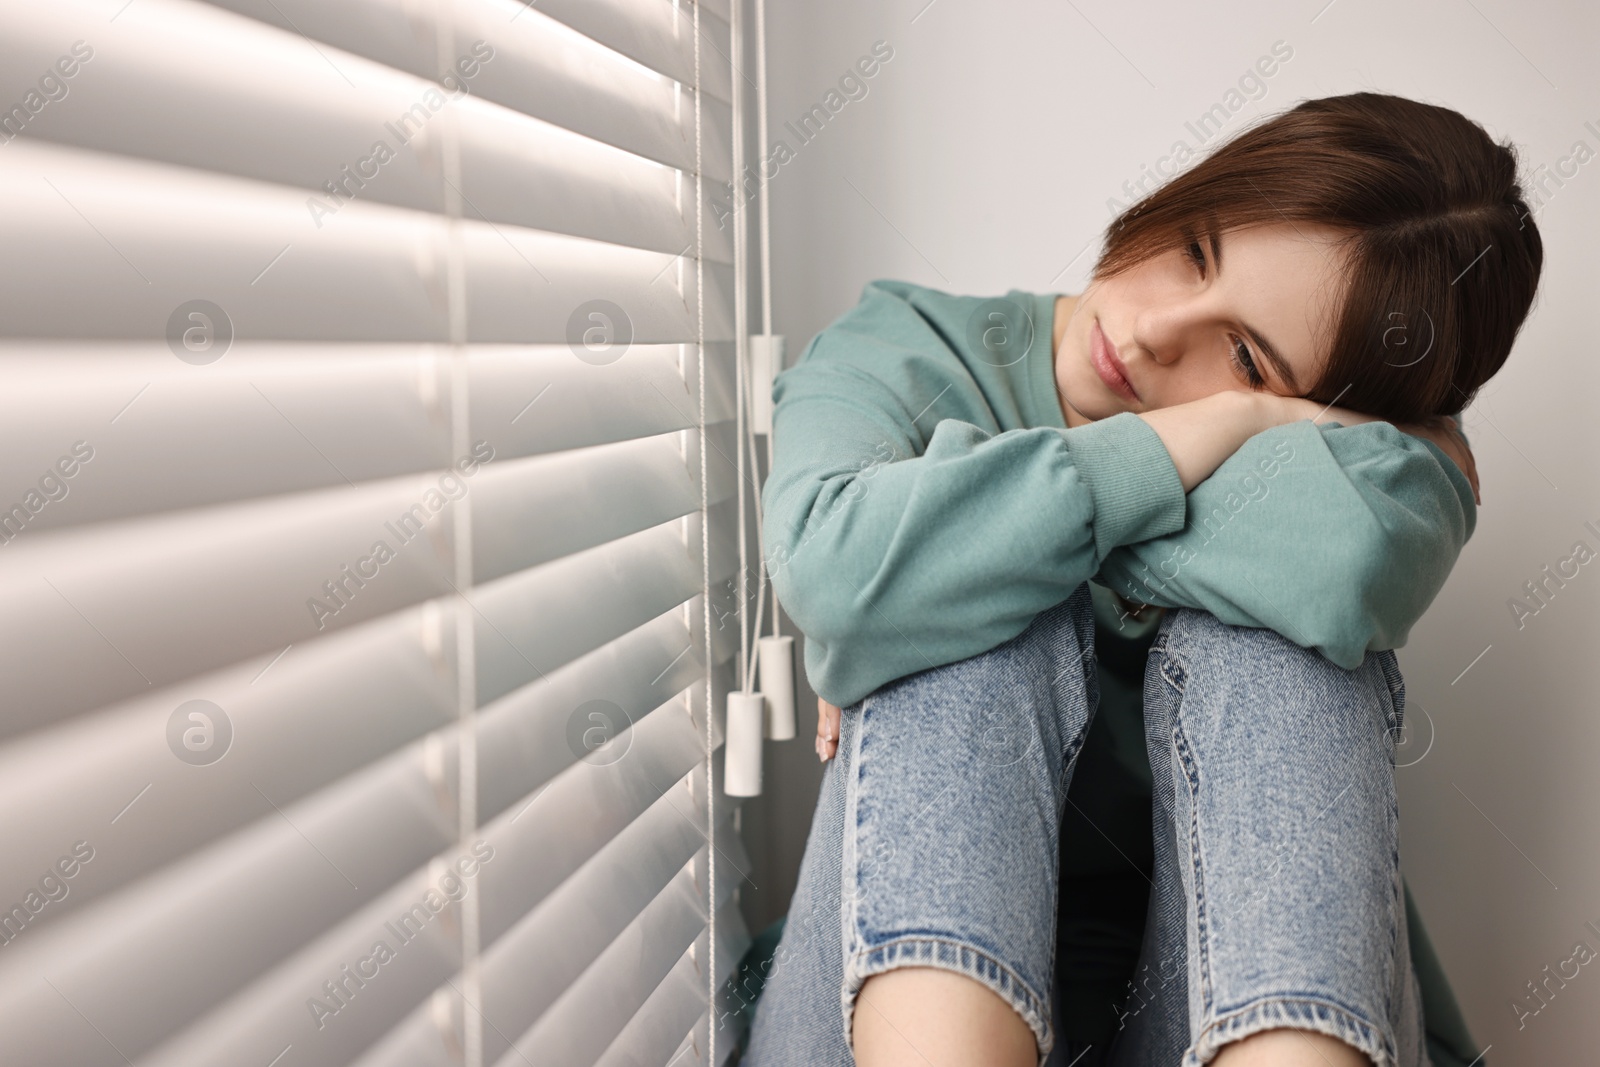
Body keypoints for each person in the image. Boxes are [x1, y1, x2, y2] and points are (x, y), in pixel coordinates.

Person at [742, 92, 1542, 1067]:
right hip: (874, 1016)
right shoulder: (902, 348)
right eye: (1195, 249)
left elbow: (1355, 562)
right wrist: (1224, 425)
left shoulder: (1376, 482)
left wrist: (924, 559)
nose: (1159, 326)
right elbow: (829, 563)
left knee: (1268, 649)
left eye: (1247, 357)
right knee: (990, 622)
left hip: (1228, 1010)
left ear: (1350, 415)